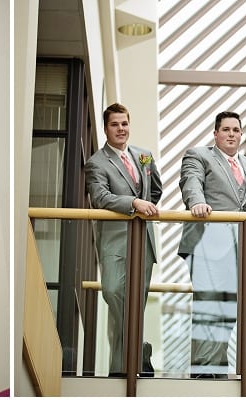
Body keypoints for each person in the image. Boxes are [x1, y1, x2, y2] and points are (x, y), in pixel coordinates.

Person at [178, 111, 246, 378]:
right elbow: (191, 182)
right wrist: (196, 202)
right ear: (215, 134)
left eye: (236, 130)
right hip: (208, 242)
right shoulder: (199, 156)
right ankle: (204, 370)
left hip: (243, 252)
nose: (231, 134)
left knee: (230, 307)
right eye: (225, 129)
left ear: (241, 134)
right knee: (208, 302)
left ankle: (218, 368)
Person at [83, 103, 163, 377]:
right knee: (113, 292)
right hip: (114, 241)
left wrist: (146, 206)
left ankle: (120, 371)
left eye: (124, 123)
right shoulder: (96, 162)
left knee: (136, 304)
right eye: (115, 124)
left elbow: (156, 189)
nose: (121, 129)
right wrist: (134, 203)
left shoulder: (144, 156)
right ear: (106, 128)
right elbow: (101, 198)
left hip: (143, 241)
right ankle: (139, 348)